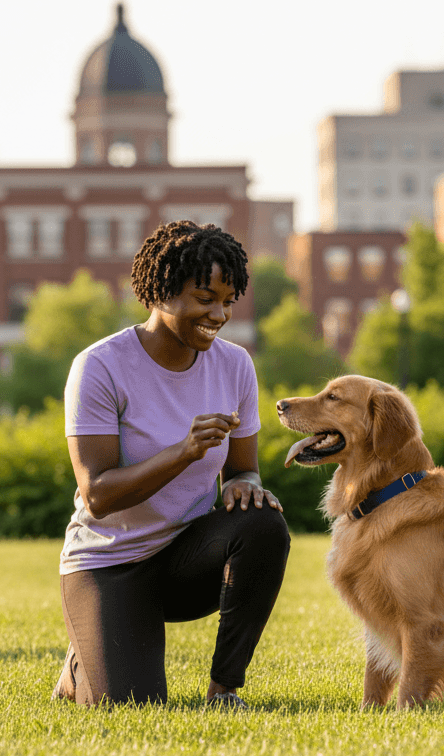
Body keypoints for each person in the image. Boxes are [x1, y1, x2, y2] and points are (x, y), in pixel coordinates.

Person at [52, 220, 291, 709]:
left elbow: (245, 470)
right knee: (131, 707)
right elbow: (97, 495)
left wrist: (240, 486)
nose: (219, 314)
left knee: (264, 523)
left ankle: (224, 691)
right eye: (205, 298)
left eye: (228, 300)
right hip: (108, 564)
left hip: (186, 560)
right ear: (161, 291)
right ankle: (86, 659)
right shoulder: (100, 366)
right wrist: (182, 453)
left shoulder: (235, 365)